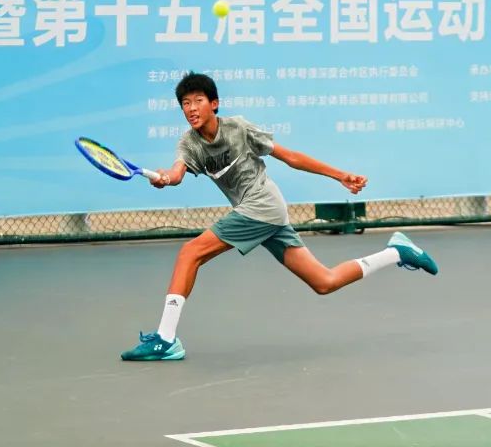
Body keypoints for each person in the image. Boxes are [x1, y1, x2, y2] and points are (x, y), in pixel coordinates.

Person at [121, 71, 438, 361]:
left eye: (198, 101)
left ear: (214, 104)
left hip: (263, 205)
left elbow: (291, 157)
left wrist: (340, 175)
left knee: (190, 253)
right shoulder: (189, 143)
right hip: (263, 213)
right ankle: (397, 252)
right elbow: (177, 173)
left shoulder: (238, 128)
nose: (191, 109)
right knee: (324, 281)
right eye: (185, 104)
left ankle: (166, 338)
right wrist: (164, 178)